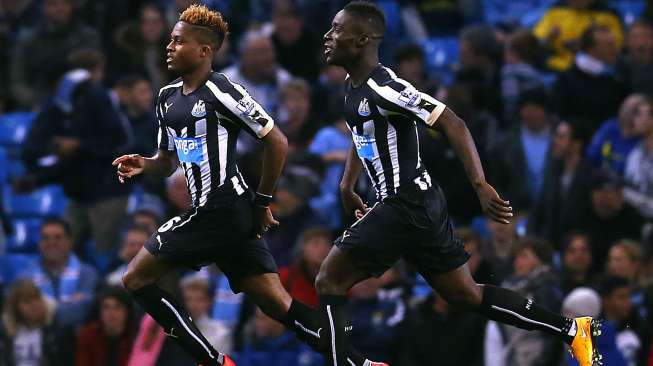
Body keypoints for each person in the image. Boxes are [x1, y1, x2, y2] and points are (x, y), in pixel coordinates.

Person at [317, 2, 600, 365]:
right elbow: (364, 132)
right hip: (417, 205)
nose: (327, 36)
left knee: (329, 280)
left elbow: (452, 122)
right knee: (466, 294)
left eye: (337, 30)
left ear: (361, 40)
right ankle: (571, 330)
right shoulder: (352, 86)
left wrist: (480, 184)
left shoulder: (385, 87)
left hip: (404, 204)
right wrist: (346, 183)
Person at [112, 5, 382, 366]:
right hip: (222, 216)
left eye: (179, 41)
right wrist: (143, 164)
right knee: (278, 304)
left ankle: (211, 360)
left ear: (205, 50)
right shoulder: (166, 98)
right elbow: (168, 162)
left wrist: (261, 201)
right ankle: (356, 363)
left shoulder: (222, 90)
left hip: (222, 208)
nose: (170, 46)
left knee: (135, 278)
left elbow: (277, 141)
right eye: (170, 40)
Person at [20, 218, 99, 330]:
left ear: (70, 242)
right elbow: (21, 312)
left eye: (58, 237)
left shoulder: (87, 273)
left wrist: (43, 309)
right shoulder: (26, 276)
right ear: (39, 243)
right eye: (46, 238)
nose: (52, 243)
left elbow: (83, 311)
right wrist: (69, 306)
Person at [75, 286, 136, 366]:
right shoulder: (88, 334)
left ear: (127, 312)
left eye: (117, 307)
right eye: (106, 307)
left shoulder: (135, 337)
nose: (111, 313)